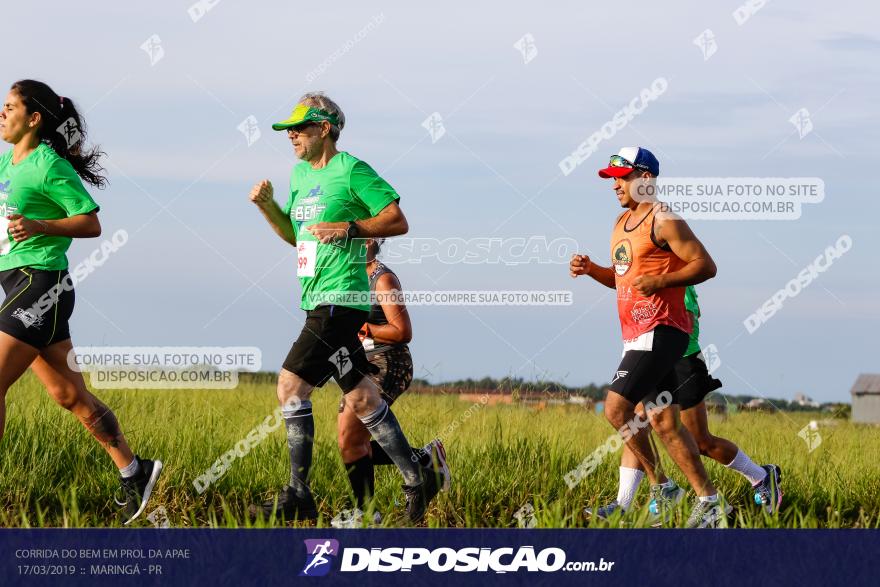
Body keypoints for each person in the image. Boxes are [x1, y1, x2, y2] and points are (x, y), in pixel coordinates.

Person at [248, 93, 441, 523]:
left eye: (299, 128)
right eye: (288, 130)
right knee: (362, 396)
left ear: (326, 128)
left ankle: (299, 492)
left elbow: (397, 219)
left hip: (342, 299)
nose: (292, 135)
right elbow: (295, 238)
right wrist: (268, 208)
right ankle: (417, 475)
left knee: (290, 386)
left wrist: (351, 227)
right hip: (316, 297)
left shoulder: (352, 169)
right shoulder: (299, 175)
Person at [0, 80, 161, 524]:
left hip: (40, 283)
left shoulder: (50, 165)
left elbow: (90, 223)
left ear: (33, 119)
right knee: (68, 394)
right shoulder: (6, 162)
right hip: (18, 284)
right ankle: (136, 471)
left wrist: (40, 226)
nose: (1, 113)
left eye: (9, 107)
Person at [570, 146, 728, 528]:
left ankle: (662, 487)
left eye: (620, 178)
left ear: (645, 178)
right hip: (636, 332)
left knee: (615, 409)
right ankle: (709, 503)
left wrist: (662, 281)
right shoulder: (620, 223)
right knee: (663, 424)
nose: (615, 186)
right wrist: (593, 270)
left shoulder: (665, 219)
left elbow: (706, 265)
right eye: (612, 180)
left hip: (663, 329)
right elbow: (623, 279)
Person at [586, 285, 783, 522]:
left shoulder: (673, 279)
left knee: (701, 442)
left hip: (683, 364)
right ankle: (623, 504)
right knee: (635, 425)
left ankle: (761, 476)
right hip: (654, 359)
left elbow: (688, 321)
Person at [332, 238, 451, 528]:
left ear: (371, 241)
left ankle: (373, 509)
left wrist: (362, 329)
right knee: (350, 442)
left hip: (389, 363)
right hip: (359, 364)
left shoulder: (382, 279)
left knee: (352, 435)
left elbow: (402, 330)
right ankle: (424, 461)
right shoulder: (349, 277)